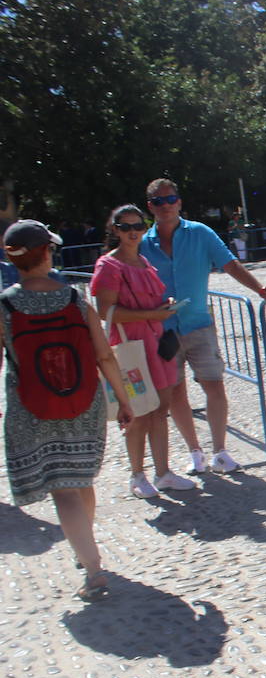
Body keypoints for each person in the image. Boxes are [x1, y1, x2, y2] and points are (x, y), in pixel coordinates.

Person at [1, 220, 133, 600]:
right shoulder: (76, 300)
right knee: (80, 479)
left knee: (63, 491)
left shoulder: (5, 305)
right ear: (47, 252)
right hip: (83, 403)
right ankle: (85, 547)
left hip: (31, 409)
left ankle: (92, 568)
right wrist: (123, 400)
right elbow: (104, 355)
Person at [139, 178, 266, 475]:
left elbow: (230, 264)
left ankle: (220, 451)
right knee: (176, 393)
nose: (167, 206)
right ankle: (195, 452)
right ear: (150, 206)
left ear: (179, 202)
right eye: (159, 202)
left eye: (171, 199)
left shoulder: (200, 233)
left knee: (214, 386)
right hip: (163, 330)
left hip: (198, 324)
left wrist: (261, 290)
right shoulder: (142, 243)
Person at [90, 204, 196, 499]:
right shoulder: (109, 266)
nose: (133, 232)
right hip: (131, 346)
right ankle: (137, 475)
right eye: (126, 227)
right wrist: (152, 313)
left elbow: (149, 300)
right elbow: (105, 311)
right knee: (137, 414)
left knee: (160, 410)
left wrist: (163, 308)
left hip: (155, 341)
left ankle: (163, 473)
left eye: (138, 226)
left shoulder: (142, 260)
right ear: (114, 230)